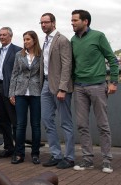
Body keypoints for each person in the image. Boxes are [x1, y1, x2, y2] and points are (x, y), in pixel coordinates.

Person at [70, 10, 118, 174]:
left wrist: (113, 81)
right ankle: (87, 159)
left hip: (97, 85)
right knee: (82, 125)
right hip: (79, 87)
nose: (72, 23)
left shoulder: (98, 36)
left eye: (75, 20)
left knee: (102, 124)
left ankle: (106, 161)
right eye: (72, 20)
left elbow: (112, 58)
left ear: (86, 21)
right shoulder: (73, 40)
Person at [39, 13, 75, 169]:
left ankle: (70, 157)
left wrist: (63, 88)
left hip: (59, 86)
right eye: (41, 23)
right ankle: (56, 154)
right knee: (47, 119)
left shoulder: (62, 40)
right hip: (46, 84)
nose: (43, 25)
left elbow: (67, 65)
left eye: (46, 22)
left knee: (66, 122)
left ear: (53, 23)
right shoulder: (46, 41)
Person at [8, 31, 42, 165]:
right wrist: (12, 93)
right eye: (24, 39)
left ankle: (35, 154)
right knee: (20, 125)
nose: (25, 41)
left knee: (36, 125)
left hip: (36, 92)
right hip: (20, 92)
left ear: (34, 40)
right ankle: (19, 153)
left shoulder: (41, 56)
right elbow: (14, 74)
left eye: (28, 39)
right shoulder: (19, 55)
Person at [0, 27, 22, 158]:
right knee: (3, 121)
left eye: (4, 35)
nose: (1, 37)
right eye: (0, 35)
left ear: (10, 36)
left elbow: (20, 72)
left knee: (14, 120)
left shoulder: (18, 51)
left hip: (11, 89)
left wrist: (14, 92)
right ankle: (8, 147)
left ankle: (18, 150)